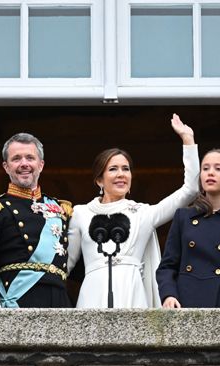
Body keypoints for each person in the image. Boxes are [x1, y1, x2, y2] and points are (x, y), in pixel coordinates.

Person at [66, 114, 200, 308]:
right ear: (99, 180)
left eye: (125, 169)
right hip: (92, 293)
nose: (121, 174)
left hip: (133, 293)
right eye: (113, 169)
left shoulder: (143, 213)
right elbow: (66, 265)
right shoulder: (81, 213)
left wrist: (188, 141)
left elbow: (190, 190)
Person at [0, 133, 72, 308]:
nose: (24, 164)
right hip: (20, 299)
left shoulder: (61, 209)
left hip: (59, 299)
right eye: (16, 159)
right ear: (6, 167)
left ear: (41, 165)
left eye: (30, 158)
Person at [157, 149, 220, 308]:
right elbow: (167, 267)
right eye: (205, 168)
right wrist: (169, 295)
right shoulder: (183, 217)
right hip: (184, 304)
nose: (210, 173)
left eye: (218, 168)